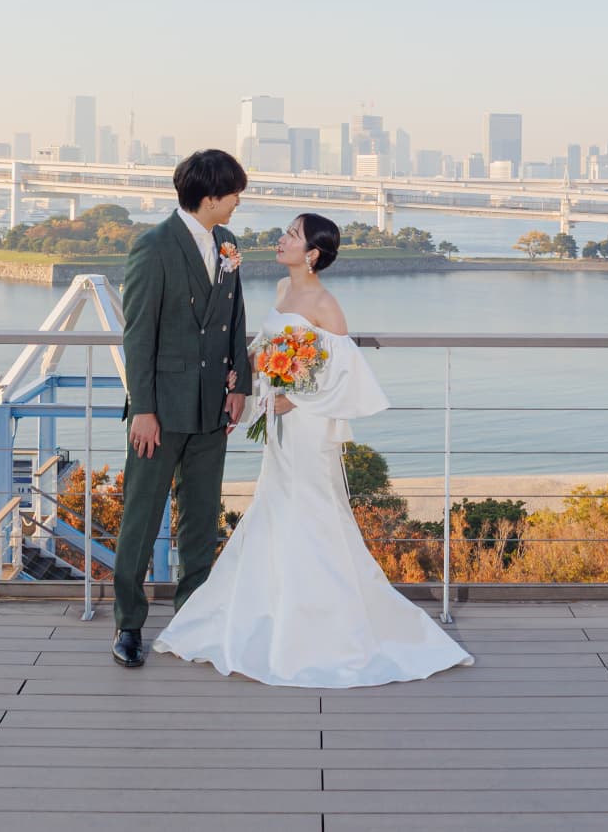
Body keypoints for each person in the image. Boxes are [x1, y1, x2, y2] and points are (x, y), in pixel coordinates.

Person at [153, 212, 472, 687]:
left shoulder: (325, 302)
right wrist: (254, 378)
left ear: (313, 254)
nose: (280, 240)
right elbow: (268, 349)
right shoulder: (284, 292)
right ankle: (277, 615)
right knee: (276, 509)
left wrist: (294, 396)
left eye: (291, 236)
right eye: (285, 232)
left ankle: (325, 629)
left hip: (306, 424)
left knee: (313, 511)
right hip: (279, 424)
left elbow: (345, 372)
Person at [111, 150, 253, 668]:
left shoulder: (228, 244)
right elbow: (137, 336)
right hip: (161, 412)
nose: (240, 200)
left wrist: (241, 385)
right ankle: (128, 625)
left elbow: (236, 318)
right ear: (211, 196)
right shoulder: (152, 247)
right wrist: (143, 410)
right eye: (235, 191)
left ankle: (194, 617)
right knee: (141, 518)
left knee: (200, 520)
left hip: (214, 405)